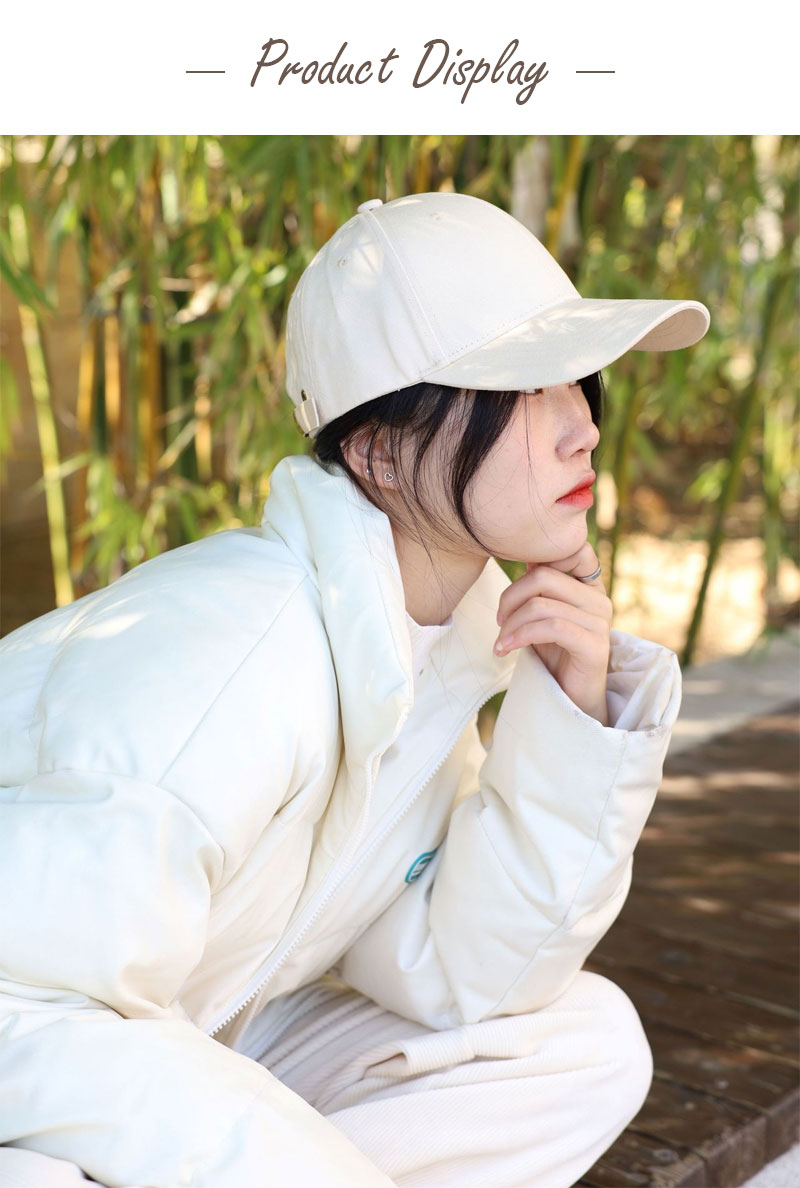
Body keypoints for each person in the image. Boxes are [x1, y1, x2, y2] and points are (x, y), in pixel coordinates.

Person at [0, 191, 710, 1188]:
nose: (581, 429)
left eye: (578, 382)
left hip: (190, 1032)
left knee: (584, 1047)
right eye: (520, 389)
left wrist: (568, 709)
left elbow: (459, 973)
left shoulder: (434, 646)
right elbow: (28, 1010)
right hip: (45, 1047)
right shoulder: (232, 654)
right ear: (377, 451)